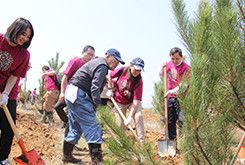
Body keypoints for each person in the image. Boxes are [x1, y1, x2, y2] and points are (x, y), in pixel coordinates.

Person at [63, 48, 125, 164]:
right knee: (94, 125)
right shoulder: (102, 66)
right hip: (79, 93)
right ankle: (97, 159)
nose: (116, 64)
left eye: (118, 63)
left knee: (75, 127)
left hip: (72, 92)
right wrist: (98, 108)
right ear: (107, 56)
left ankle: (66, 156)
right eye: (115, 61)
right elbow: (95, 88)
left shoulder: (97, 63)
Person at [0, 17, 34, 165]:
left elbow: (14, 75)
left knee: (8, 127)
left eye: (28, 36)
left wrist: (6, 94)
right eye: (23, 34)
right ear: (15, 29)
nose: (25, 39)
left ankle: (2, 158)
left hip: (8, 92)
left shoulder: (24, 54)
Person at [54, 45, 95, 133]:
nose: (90, 57)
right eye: (88, 54)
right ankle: (66, 123)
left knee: (74, 116)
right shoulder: (76, 61)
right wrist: (62, 92)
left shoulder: (89, 66)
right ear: (83, 52)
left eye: (92, 55)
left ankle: (70, 134)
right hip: (69, 92)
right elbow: (65, 76)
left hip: (80, 95)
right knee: (58, 107)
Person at [108, 57, 145, 144]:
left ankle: (142, 145)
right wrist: (110, 89)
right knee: (119, 124)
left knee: (138, 116)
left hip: (132, 102)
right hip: (119, 101)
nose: (137, 72)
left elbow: (135, 102)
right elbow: (109, 75)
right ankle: (121, 145)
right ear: (131, 66)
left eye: (139, 70)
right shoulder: (123, 70)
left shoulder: (139, 80)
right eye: (136, 69)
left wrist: (129, 118)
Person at [159, 47, 190, 142]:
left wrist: (171, 91)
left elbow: (184, 86)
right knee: (170, 120)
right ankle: (172, 141)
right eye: (172, 59)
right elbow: (161, 74)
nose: (175, 61)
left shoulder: (186, 68)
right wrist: (162, 67)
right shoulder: (169, 65)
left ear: (181, 57)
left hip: (182, 98)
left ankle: (186, 142)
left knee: (182, 120)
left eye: (177, 58)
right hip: (170, 98)